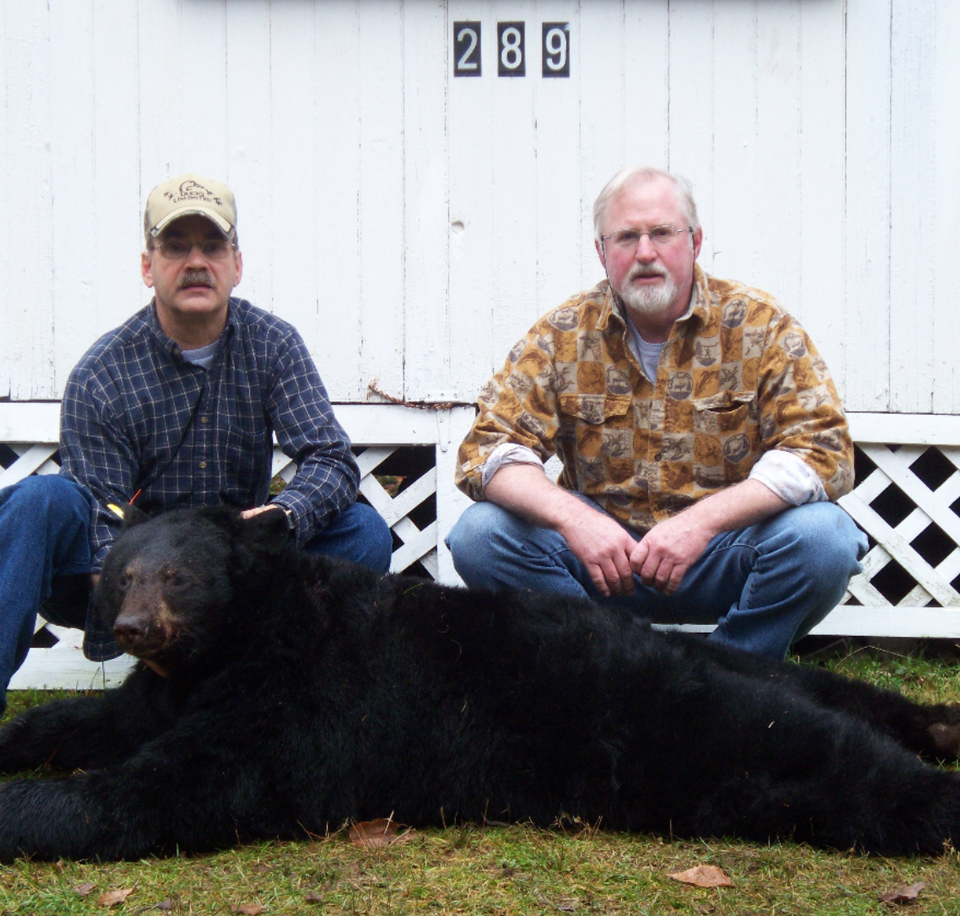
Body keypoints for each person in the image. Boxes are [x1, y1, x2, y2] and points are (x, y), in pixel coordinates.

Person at [0, 173, 392, 705]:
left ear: (236, 264)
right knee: (39, 500)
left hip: (229, 572)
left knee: (362, 530)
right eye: (175, 247)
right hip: (121, 577)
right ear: (148, 267)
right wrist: (148, 608)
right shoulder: (102, 372)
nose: (195, 262)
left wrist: (285, 514)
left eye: (212, 246)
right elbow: (102, 515)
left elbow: (330, 458)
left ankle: (310, 700)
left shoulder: (273, 344)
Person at [447, 166, 867, 660]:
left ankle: (734, 678)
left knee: (824, 538)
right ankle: (604, 667)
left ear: (695, 241)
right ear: (603, 252)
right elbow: (485, 451)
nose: (645, 253)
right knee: (480, 535)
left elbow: (824, 450)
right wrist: (576, 522)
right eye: (626, 237)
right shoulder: (562, 335)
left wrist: (702, 523)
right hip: (602, 561)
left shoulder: (758, 325)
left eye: (662, 233)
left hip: (720, 554)